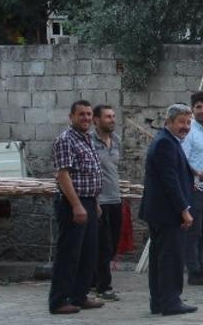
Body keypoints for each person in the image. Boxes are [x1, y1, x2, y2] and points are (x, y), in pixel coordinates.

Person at [139, 104, 198, 316]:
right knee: (170, 259)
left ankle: (159, 301)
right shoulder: (165, 143)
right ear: (168, 122)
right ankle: (170, 302)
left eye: (188, 122)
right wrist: (184, 209)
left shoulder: (168, 141)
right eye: (181, 122)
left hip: (160, 211)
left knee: (160, 258)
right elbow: (169, 181)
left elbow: (173, 172)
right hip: (167, 213)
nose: (185, 126)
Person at [48, 100, 104, 315]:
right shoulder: (65, 140)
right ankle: (58, 301)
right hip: (73, 203)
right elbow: (63, 175)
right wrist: (77, 205)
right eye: (81, 114)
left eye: (89, 114)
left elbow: (90, 174)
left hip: (88, 202)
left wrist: (94, 203)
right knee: (69, 254)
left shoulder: (87, 139)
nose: (86, 118)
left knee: (88, 253)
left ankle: (79, 296)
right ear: (71, 117)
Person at [181, 91, 203, 286]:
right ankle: (193, 270)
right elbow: (183, 160)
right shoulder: (189, 132)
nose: (202, 111)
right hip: (195, 188)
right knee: (194, 231)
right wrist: (195, 173)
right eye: (198, 107)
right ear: (192, 110)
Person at [90, 105, 122, 302]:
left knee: (112, 245)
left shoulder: (117, 140)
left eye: (113, 116)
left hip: (115, 198)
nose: (112, 120)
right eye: (107, 117)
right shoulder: (90, 141)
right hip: (99, 200)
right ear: (96, 120)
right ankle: (104, 286)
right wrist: (94, 201)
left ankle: (93, 280)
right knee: (103, 245)